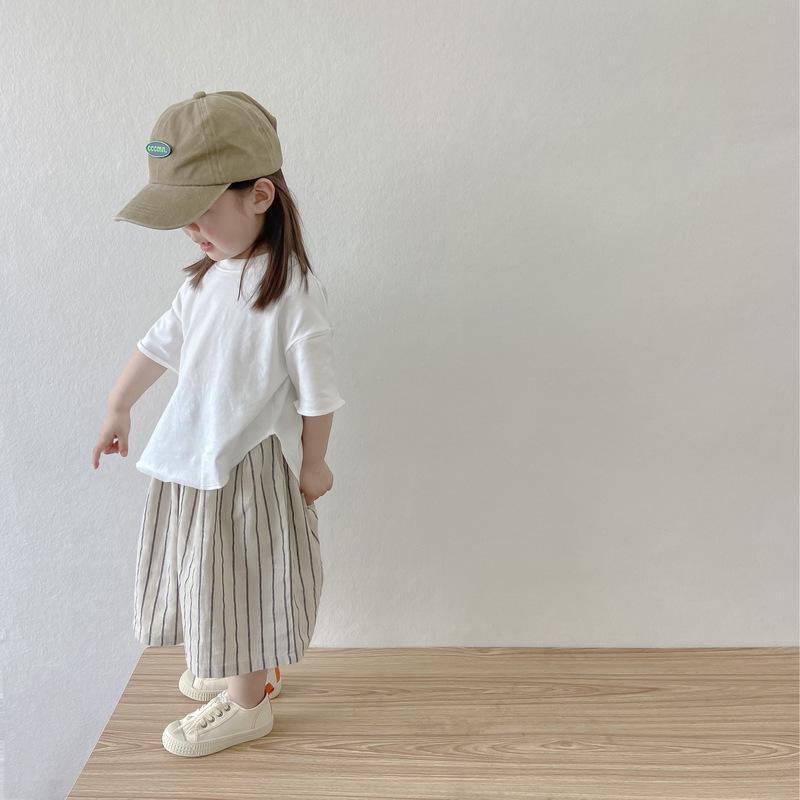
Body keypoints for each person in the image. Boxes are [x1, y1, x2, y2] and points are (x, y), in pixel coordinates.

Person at [91, 90, 345, 758]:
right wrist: (119, 405)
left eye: (202, 212)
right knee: (209, 573)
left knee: (243, 576)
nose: (192, 231)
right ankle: (238, 664)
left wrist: (314, 461)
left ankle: (247, 701)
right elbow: (157, 346)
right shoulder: (204, 283)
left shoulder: (290, 294)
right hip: (193, 459)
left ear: (259, 196)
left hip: (245, 464)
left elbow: (318, 394)